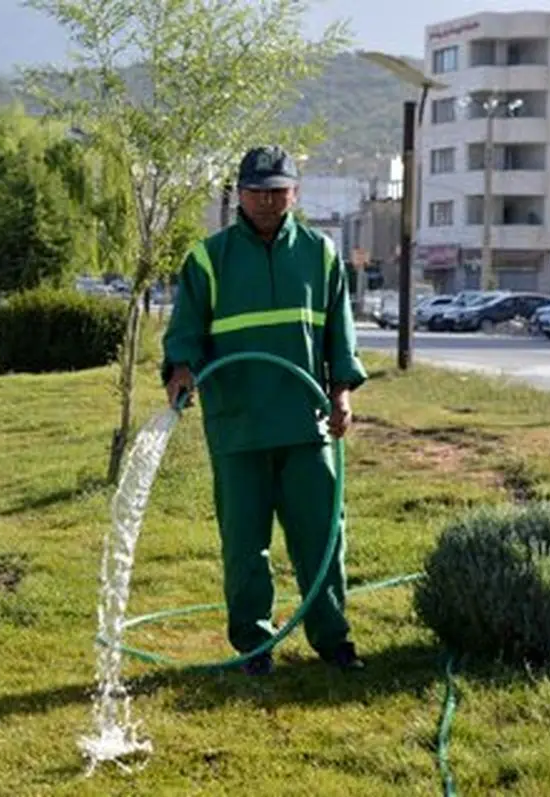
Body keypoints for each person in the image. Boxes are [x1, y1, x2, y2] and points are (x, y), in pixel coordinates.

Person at [160, 144, 368, 676]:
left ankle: (333, 640)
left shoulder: (320, 255)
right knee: (245, 545)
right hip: (239, 426)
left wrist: (341, 392)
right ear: (239, 195)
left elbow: (338, 337)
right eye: (257, 191)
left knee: (321, 536)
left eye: (278, 191)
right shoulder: (208, 259)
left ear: (294, 193)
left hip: (306, 424)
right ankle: (254, 645)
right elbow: (185, 332)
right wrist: (182, 369)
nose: (268, 201)